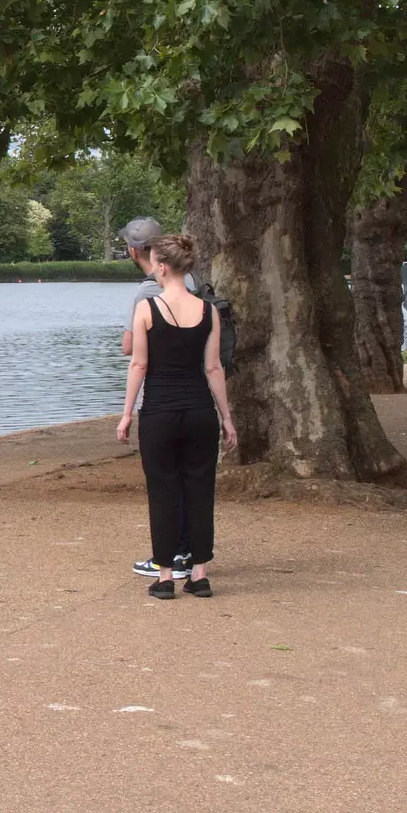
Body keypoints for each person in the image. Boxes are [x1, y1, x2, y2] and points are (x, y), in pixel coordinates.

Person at [116, 234, 237, 600]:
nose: (152, 268)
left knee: (163, 491)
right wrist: (227, 419)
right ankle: (199, 574)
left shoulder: (146, 310)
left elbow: (139, 363)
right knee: (200, 490)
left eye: (154, 263)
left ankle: (165, 576)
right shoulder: (208, 311)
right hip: (200, 411)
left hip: (159, 413)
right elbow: (214, 368)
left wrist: (126, 415)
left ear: (163, 268)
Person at [118, 217, 196, 581]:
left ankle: (172, 557)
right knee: (189, 478)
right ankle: (191, 552)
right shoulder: (191, 282)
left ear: (134, 250)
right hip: (196, 394)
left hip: (162, 396)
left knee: (164, 481)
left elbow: (131, 349)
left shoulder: (145, 294)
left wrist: (126, 413)